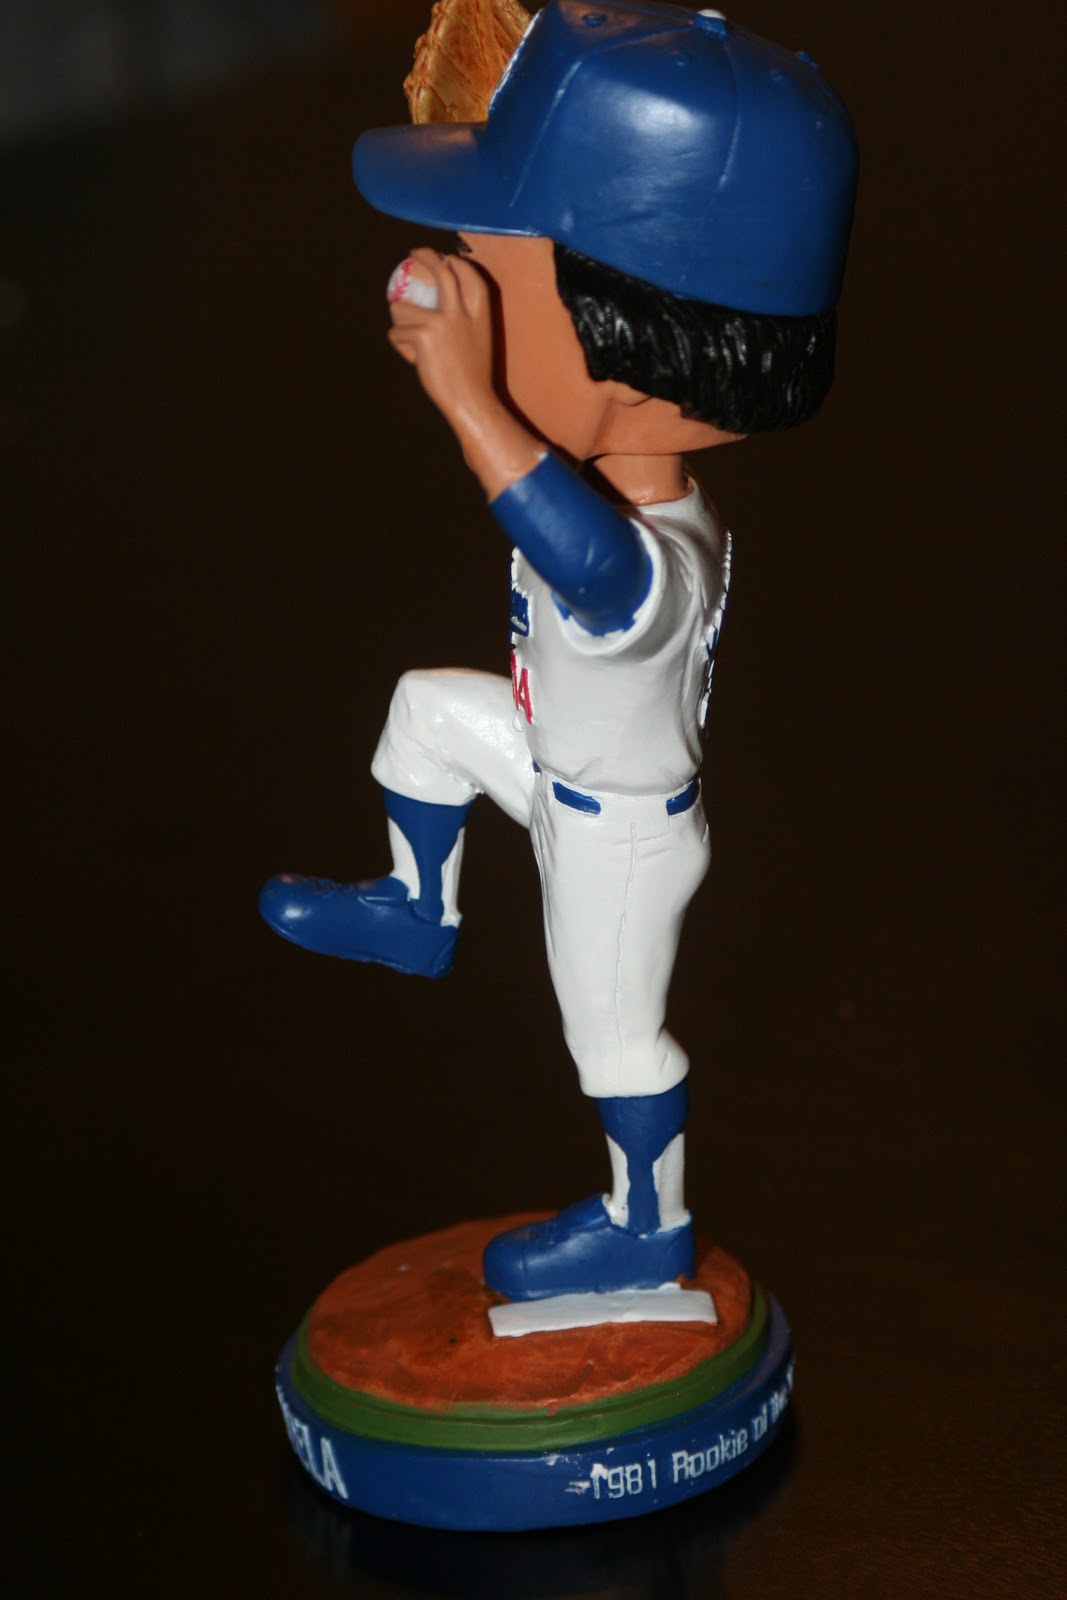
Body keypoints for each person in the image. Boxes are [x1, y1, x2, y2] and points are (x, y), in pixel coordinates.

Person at [260, 2, 857, 1302]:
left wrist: (465, 393)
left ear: (639, 349)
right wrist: (480, 385)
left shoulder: (653, 553)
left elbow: (586, 562)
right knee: (425, 711)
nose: (464, 283)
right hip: (554, 766)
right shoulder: (619, 491)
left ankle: (647, 1223)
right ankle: (417, 908)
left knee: (615, 1041)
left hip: (619, 837)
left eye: (497, 266)